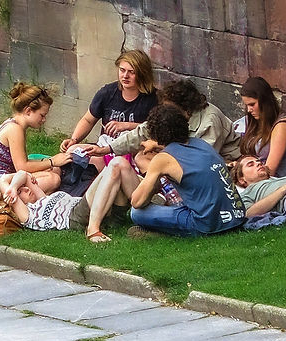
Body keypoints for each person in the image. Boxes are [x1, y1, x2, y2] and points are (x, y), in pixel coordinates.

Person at [128, 103, 246, 237]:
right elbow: (180, 150)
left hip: (206, 225)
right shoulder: (201, 144)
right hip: (237, 218)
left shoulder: (162, 160)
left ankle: (163, 232)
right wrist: (156, 144)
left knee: (136, 213)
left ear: (154, 133)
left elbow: (136, 202)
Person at [86, 78, 241, 169]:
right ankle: (161, 186)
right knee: (142, 156)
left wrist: (160, 147)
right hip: (185, 156)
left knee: (159, 161)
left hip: (221, 162)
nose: (166, 111)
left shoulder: (209, 121)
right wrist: (106, 149)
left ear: (185, 109)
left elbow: (202, 159)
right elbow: (142, 131)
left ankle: (163, 186)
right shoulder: (172, 113)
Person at [0, 155, 141, 243]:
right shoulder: (29, 215)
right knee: (115, 165)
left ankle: (147, 211)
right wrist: (10, 192)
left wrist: (14, 187)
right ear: (12, 201)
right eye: (21, 191)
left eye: (23, 187)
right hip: (75, 216)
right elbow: (2, 180)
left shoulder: (41, 199)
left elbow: (23, 174)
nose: (27, 189)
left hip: (99, 210)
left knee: (120, 162)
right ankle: (92, 230)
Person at [60, 49, 158, 171]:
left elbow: (155, 130)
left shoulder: (153, 99)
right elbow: (88, 120)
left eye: (132, 72)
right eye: (122, 70)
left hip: (136, 151)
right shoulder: (107, 92)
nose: (125, 76)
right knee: (72, 152)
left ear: (142, 73)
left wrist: (127, 126)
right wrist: (74, 139)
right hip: (104, 148)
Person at [0, 83, 73, 202]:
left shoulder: (15, 125)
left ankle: (31, 202)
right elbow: (22, 166)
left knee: (55, 170)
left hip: (1, 178)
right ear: (28, 111)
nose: (44, 120)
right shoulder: (15, 129)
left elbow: (21, 164)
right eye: (42, 115)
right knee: (53, 179)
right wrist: (52, 161)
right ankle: (25, 206)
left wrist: (52, 163)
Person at [235, 76, 286, 178]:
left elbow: (268, 172)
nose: (249, 110)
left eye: (252, 104)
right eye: (247, 105)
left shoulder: (282, 127)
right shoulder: (255, 121)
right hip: (254, 179)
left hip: (275, 183)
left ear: (264, 101)